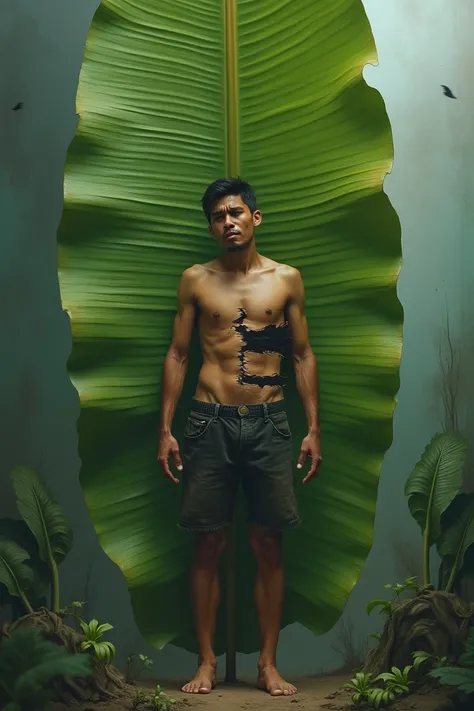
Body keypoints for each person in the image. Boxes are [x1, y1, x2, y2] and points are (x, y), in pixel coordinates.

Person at [157, 177, 321, 697]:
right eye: (216, 216)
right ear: (211, 227)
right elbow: (179, 354)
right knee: (208, 543)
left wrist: (313, 427)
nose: (226, 222)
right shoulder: (196, 281)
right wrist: (165, 428)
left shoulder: (286, 280)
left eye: (234, 212)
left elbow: (301, 355)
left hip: (270, 422)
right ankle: (206, 661)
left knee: (268, 543)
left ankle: (268, 664)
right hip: (209, 421)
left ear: (255, 217)